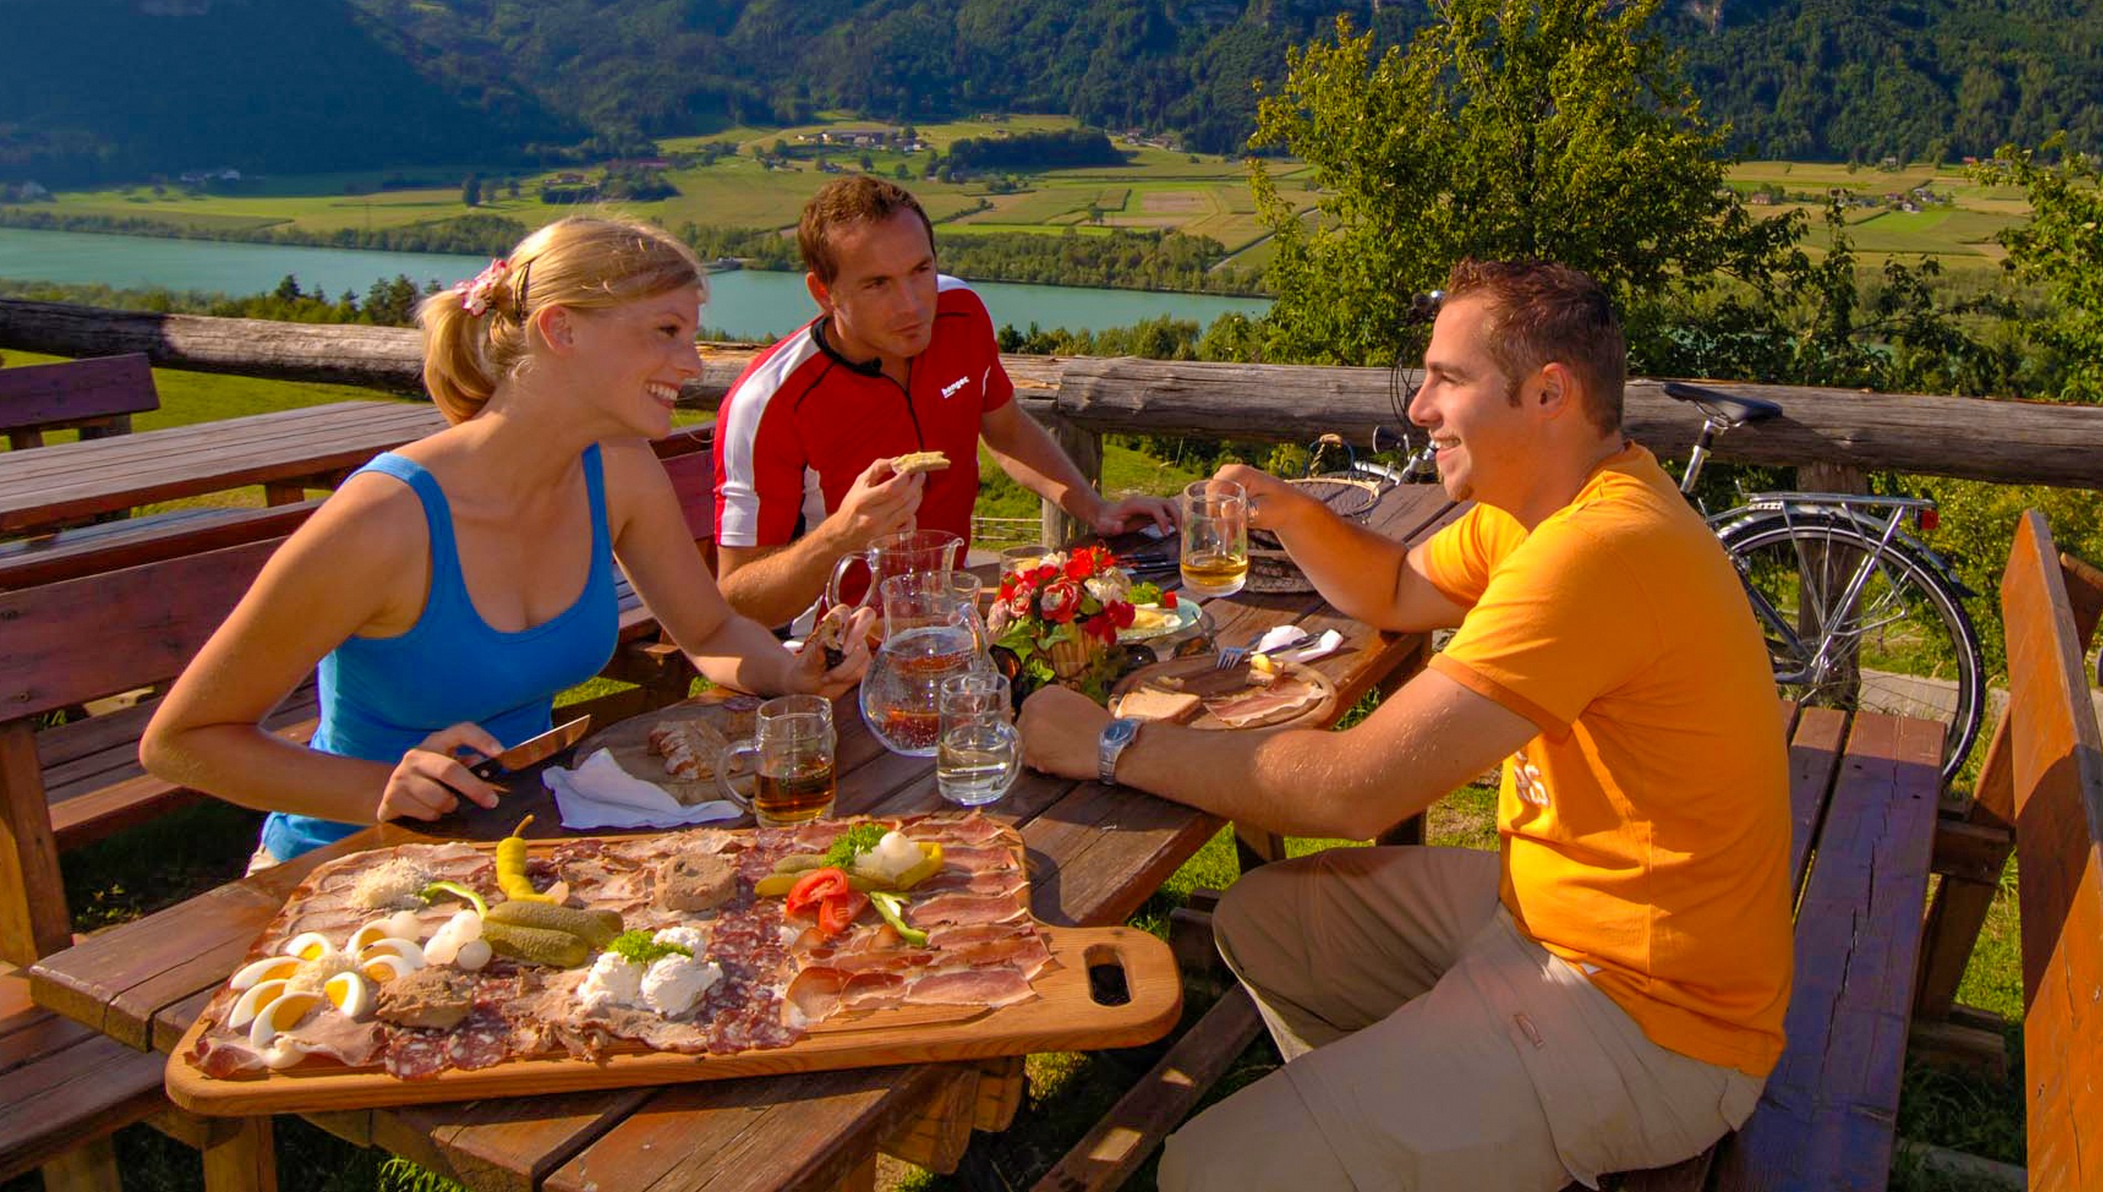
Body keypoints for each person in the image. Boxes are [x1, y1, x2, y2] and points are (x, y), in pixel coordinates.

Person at [1020, 259, 1793, 1192]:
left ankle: (1381, 1137)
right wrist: (1288, 507)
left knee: (1206, 1172)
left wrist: (1107, 744)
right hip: (1543, 918)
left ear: (1549, 392)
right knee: (1267, 919)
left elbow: (1356, 790)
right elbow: (1391, 588)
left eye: (1448, 380)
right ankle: (1393, 1133)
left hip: (1654, 1024)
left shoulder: (1598, 551)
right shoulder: (1549, 504)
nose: (1420, 407)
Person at [142, 217, 872, 861]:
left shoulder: (617, 469)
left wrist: (790, 673)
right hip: (346, 866)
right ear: (562, 330)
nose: (692, 364)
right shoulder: (385, 519)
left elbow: (708, 627)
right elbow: (183, 741)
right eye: (666, 331)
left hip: (517, 841)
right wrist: (383, 788)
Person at [712, 176, 1174, 628]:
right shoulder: (769, 403)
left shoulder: (960, 313)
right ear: (823, 292)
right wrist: (841, 535)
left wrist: (1097, 510)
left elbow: (1006, 429)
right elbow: (737, 600)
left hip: (951, 621)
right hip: (830, 652)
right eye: (877, 284)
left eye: (921, 270)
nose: (912, 305)